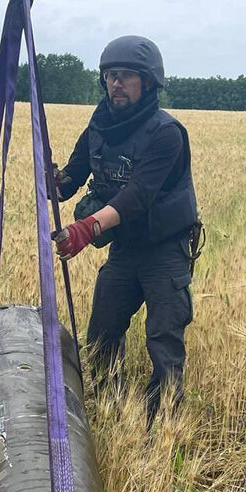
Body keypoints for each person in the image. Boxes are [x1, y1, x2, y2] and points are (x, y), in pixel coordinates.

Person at [52, 35, 199, 427]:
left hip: (164, 249)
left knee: (164, 338)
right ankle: (106, 409)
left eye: (126, 77)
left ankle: (160, 426)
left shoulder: (166, 133)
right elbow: (70, 179)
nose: (116, 84)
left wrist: (88, 227)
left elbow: (137, 196)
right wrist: (52, 178)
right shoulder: (99, 125)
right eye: (110, 76)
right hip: (126, 248)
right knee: (102, 331)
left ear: (147, 83)